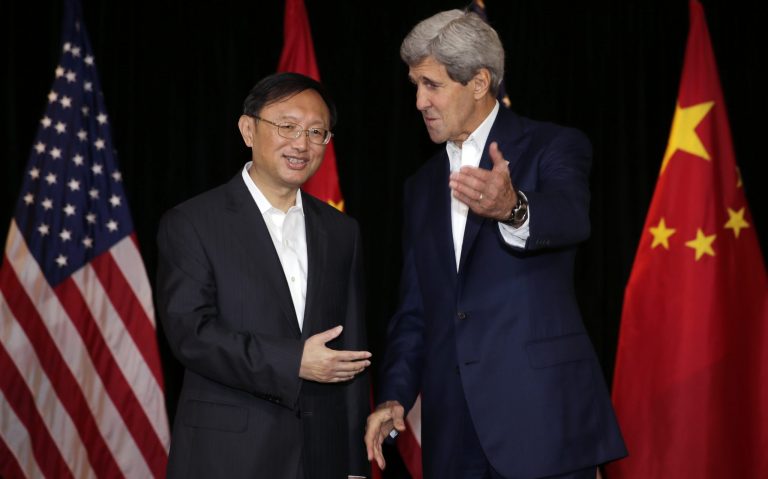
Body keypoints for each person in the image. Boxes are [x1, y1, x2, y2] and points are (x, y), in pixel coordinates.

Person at [364, 9, 627, 479]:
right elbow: (415, 308)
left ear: (480, 82)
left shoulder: (553, 146)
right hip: (452, 432)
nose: (419, 101)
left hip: (542, 419)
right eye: (415, 86)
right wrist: (394, 395)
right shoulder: (421, 186)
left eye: (432, 85)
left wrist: (515, 208)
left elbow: (571, 217)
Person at [157, 72, 371, 479]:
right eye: (287, 127)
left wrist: (353, 465)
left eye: (316, 132)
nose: (301, 143)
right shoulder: (193, 222)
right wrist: (294, 361)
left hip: (322, 457)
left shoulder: (343, 232)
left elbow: (351, 353)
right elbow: (192, 334)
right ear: (248, 129)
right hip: (228, 455)